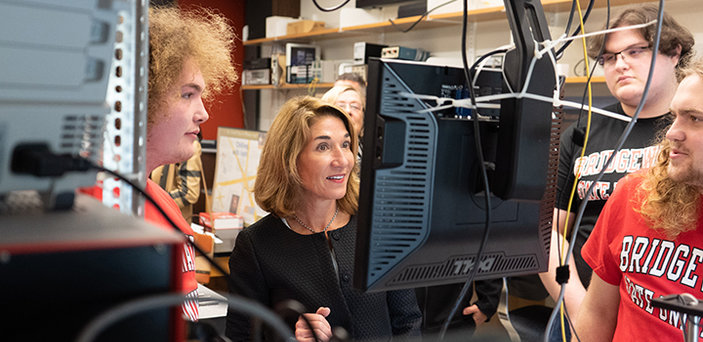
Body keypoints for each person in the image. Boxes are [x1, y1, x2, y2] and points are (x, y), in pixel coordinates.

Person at [538, 4, 694, 327]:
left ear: (674, 52)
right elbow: (545, 232)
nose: (620, 64)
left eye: (634, 51)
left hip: (661, 320)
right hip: (578, 310)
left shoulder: (690, 137)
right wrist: (578, 304)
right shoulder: (581, 131)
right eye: (609, 58)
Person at [225, 96, 422, 341]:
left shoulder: (378, 225)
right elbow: (241, 336)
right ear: (289, 160)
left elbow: (408, 322)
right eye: (323, 146)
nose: (342, 160)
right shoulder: (256, 245)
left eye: (346, 144)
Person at [575, 56, 703, 341]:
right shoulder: (635, 193)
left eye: (694, 118)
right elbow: (597, 313)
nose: (672, 132)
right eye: (674, 116)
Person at [145, 5, 237, 322]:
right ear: (141, 97)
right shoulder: (91, 209)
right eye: (187, 94)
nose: (203, 113)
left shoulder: (163, 204)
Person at [150, 138, 204, 224]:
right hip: (156, 221)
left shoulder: (188, 146)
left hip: (174, 225)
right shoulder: (161, 142)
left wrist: (155, 202)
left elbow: (189, 193)